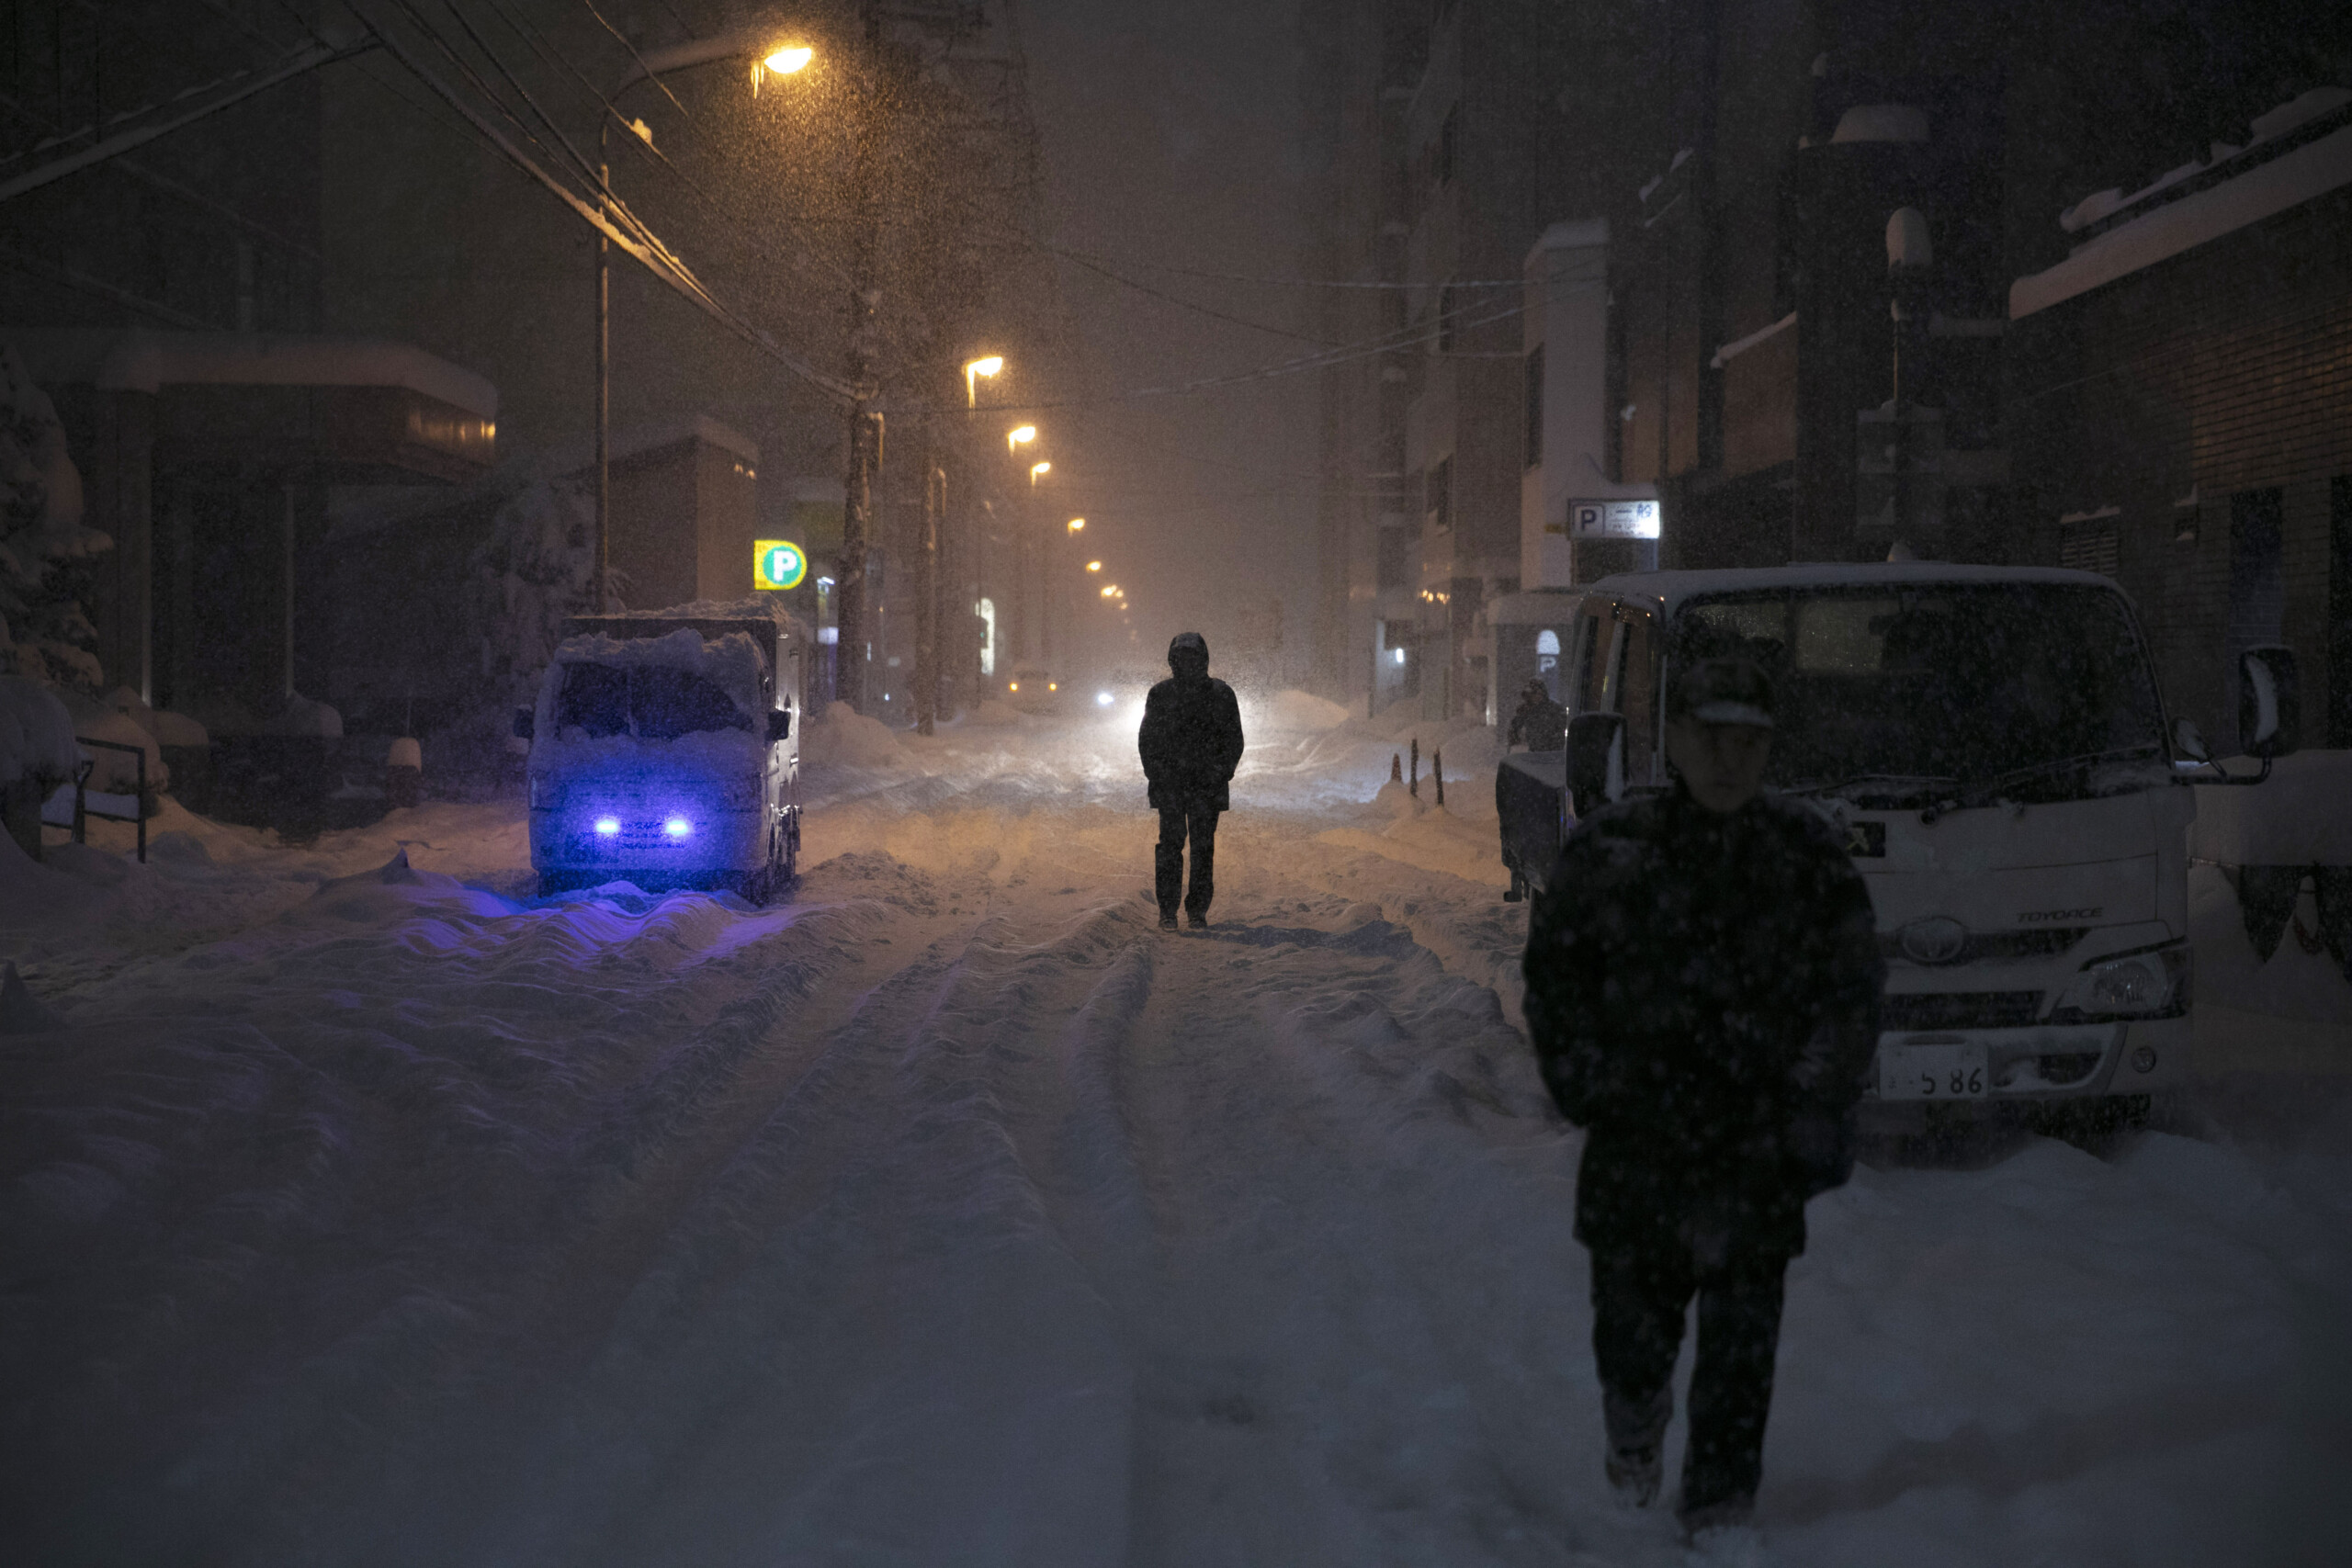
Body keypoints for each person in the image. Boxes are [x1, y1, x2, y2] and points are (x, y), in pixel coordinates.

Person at [1521, 657, 1883, 1545]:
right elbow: (1558, 980)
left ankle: (1720, 1510)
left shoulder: (1806, 860)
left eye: (1749, 740)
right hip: (1637, 1150)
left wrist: (1810, 1106)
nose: (1729, 757)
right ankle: (1635, 1425)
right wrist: (1591, 1084)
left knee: (1741, 1348)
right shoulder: (1613, 853)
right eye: (1710, 735)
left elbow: (1850, 996)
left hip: (1756, 1151)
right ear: (1673, 739)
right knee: (1633, 1338)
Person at [1137, 631, 1244, 931]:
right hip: (1173, 786)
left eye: (1191, 656)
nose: (1186, 662)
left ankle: (1196, 910)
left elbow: (1233, 740)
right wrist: (1159, 774)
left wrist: (1219, 772)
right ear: (1173, 659)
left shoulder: (1220, 694)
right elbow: (1148, 741)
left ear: (1202, 658)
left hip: (1205, 787)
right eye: (1182, 656)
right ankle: (1169, 910)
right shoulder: (1161, 695)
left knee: (1201, 848)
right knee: (1171, 847)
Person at [1507, 676, 1568, 750]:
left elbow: (1562, 727)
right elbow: (1514, 728)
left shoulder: (1555, 709)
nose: (1533, 697)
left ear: (1541, 693)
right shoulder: (1525, 710)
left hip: (1553, 751)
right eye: (1530, 694)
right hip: (1534, 751)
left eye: (1535, 693)